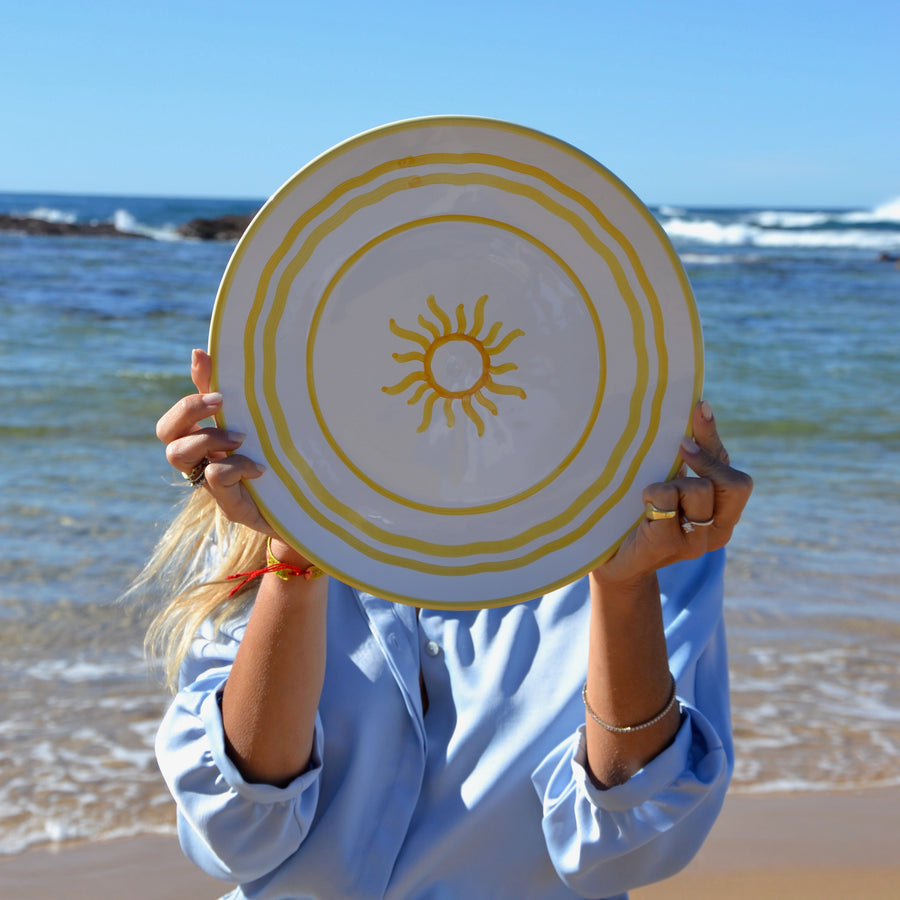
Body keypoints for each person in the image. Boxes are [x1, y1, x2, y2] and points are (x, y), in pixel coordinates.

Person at [145, 347, 753, 900]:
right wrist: (298, 553)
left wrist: (623, 587)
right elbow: (237, 839)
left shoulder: (641, 528)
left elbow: (628, 848)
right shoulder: (268, 511)